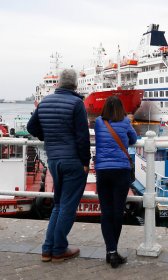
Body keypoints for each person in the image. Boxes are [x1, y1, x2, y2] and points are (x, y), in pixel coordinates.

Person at [27, 69, 90, 262]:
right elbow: (82, 136)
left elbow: (31, 127)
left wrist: (48, 137)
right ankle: (59, 249)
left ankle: (48, 249)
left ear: (58, 83)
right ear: (75, 84)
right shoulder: (77, 103)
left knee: (58, 204)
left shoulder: (44, 102)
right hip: (73, 161)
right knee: (68, 207)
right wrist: (85, 162)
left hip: (53, 160)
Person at [94, 96, 137, 268]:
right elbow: (133, 139)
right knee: (118, 212)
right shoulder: (126, 121)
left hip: (103, 171)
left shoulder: (98, 122)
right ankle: (113, 252)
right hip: (121, 170)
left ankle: (110, 251)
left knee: (106, 212)